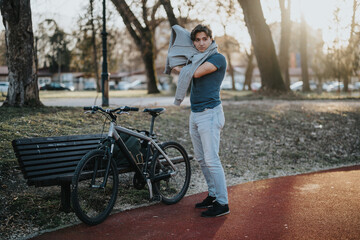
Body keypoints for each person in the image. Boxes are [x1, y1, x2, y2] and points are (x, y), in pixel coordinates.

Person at [173, 24, 229, 217]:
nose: (201, 43)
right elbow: (184, 71)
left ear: (211, 39)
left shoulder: (217, 58)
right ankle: (213, 195)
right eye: (196, 40)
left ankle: (223, 203)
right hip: (195, 113)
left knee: (212, 160)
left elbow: (195, 73)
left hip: (210, 113)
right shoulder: (195, 58)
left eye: (204, 39)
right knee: (201, 158)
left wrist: (181, 62)